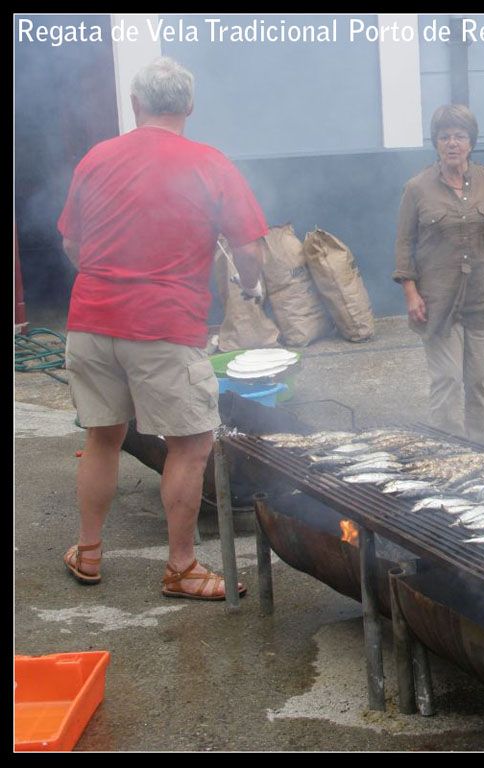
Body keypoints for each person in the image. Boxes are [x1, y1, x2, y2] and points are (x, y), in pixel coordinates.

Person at [58, 57, 268, 601]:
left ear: (135, 104)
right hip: (164, 326)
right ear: (189, 106)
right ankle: (181, 567)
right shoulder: (210, 163)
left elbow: (72, 246)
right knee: (191, 443)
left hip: (91, 318)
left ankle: (88, 551)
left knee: (103, 437)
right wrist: (250, 286)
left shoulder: (97, 158)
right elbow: (249, 249)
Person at [394, 104, 484, 445]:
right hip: (437, 302)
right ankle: (447, 455)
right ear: (436, 143)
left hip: (483, 299)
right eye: (445, 137)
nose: (452, 143)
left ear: (471, 142)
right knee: (446, 380)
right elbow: (404, 244)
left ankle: (483, 454)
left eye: (459, 136)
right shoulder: (417, 187)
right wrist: (410, 294)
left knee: (481, 382)